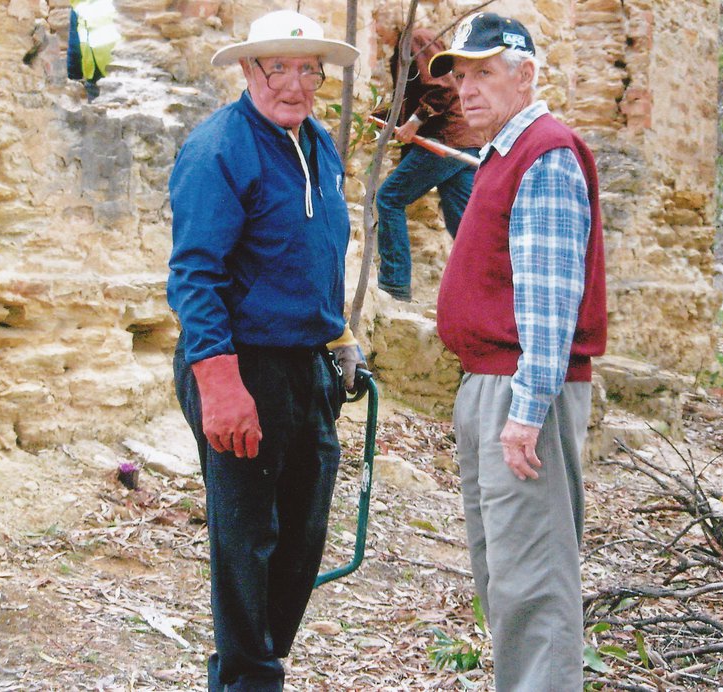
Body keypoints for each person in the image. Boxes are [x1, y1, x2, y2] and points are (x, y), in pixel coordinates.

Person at [166, 10, 364, 691]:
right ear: (249, 71)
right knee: (246, 540)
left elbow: (316, 250)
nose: (294, 83)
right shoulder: (218, 149)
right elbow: (195, 275)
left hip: (306, 362)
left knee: (303, 531)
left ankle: (252, 668)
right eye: (277, 67)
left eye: (308, 69)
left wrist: (338, 335)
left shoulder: (319, 144)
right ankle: (249, 678)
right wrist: (220, 383)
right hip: (240, 362)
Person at [430, 12, 607, 691]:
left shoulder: (545, 153)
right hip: (491, 383)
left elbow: (550, 302)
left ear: (524, 73)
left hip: (521, 389)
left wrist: (525, 412)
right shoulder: (505, 153)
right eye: (460, 76)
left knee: (533, 580)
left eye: (483, 73)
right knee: (503, 574)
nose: (466, 90)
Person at [373, 14, 482, 302]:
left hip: (445, 139)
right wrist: (377, 118)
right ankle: (486, 290)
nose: (375, 30)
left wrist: (414, 123)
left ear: (391, 19)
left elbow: (442, 89)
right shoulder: (407, 46)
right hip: (463, 140)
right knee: (464, 223)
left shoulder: (416, 39)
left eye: (376, 21)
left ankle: (394, 286)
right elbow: (410, 101)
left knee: (389, 198)